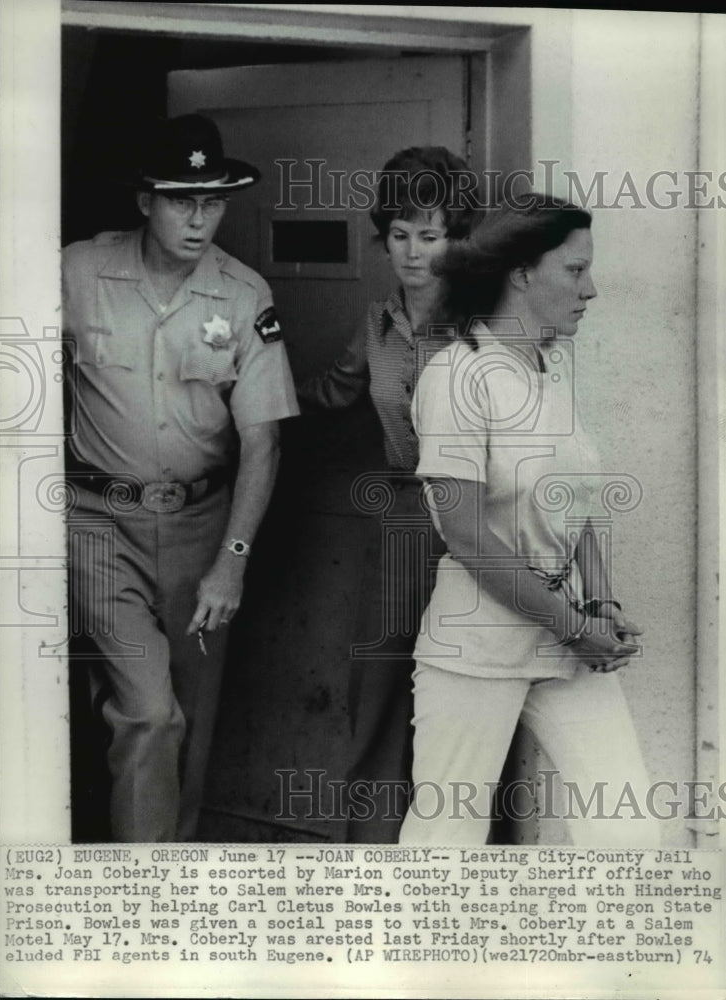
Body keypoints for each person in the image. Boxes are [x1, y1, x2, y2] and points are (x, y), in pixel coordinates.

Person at [63, 114, 299, 842]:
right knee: (148, 710)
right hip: (99, 527)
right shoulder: (74, 273)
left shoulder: (241, 294)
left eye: (213, 202)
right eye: (180, 200)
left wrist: (231, 563)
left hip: (203, 530)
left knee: (189, 723)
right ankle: (145, 899)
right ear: (144, 202)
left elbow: (262, 440)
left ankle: (172, 883)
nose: (199, 219)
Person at [399, 195, 660, 845]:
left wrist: (597, 600)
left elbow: (578, 500)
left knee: (626, 835)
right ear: (519, 272)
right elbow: (462, 532)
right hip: (477, 644)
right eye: (574, 271)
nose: (590, 289)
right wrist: (572, 625)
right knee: (443, 850)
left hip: (565, 637)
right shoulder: (456, 376)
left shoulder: (552, 365)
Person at [300, 147, 479, 841]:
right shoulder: (374, 324)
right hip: (402, 523)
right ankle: (369, 864)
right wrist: (246, 405)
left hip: (474, 520)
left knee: (462, 698)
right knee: (377, 692)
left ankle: (458, 876)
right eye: (398, 234)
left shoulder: (485, 325)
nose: (411, 253)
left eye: (429, 236)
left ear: (456, 239)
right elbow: (334, 390)